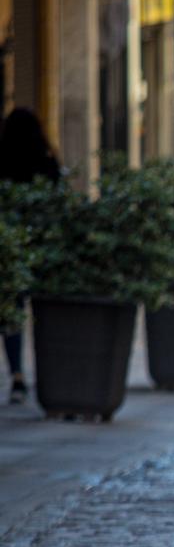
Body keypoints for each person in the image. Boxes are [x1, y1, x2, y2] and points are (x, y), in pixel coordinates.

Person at [0, 107, 63, 405]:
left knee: (11, 312)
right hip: (40, 247)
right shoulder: (47, 162)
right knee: (43, 312)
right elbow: (58, 203)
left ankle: (17, 376)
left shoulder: (4, 159)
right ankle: (50, 375)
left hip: (10, 247)